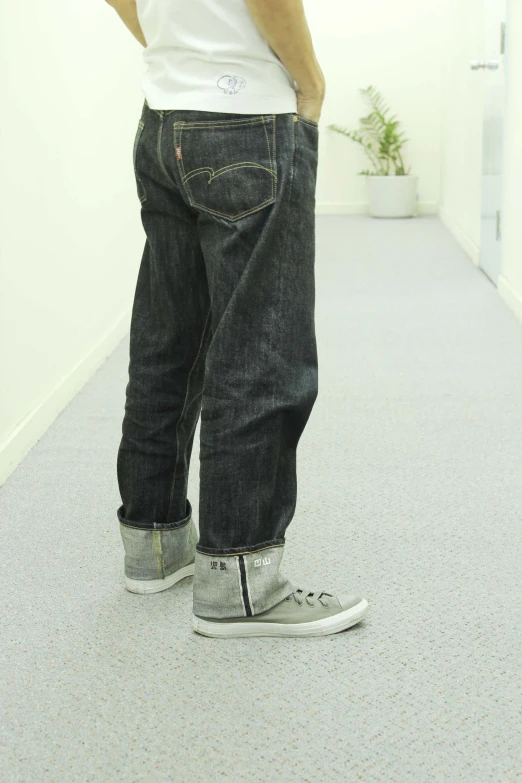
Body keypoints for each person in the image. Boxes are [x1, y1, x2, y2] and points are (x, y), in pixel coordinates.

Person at [106, 0, 368, 637]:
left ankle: (155, 544)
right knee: (260, 348)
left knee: (170, 337)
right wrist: (310, 81)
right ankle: (240, 581)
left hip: (163, 116)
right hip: (246, 117)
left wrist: (179, 53)